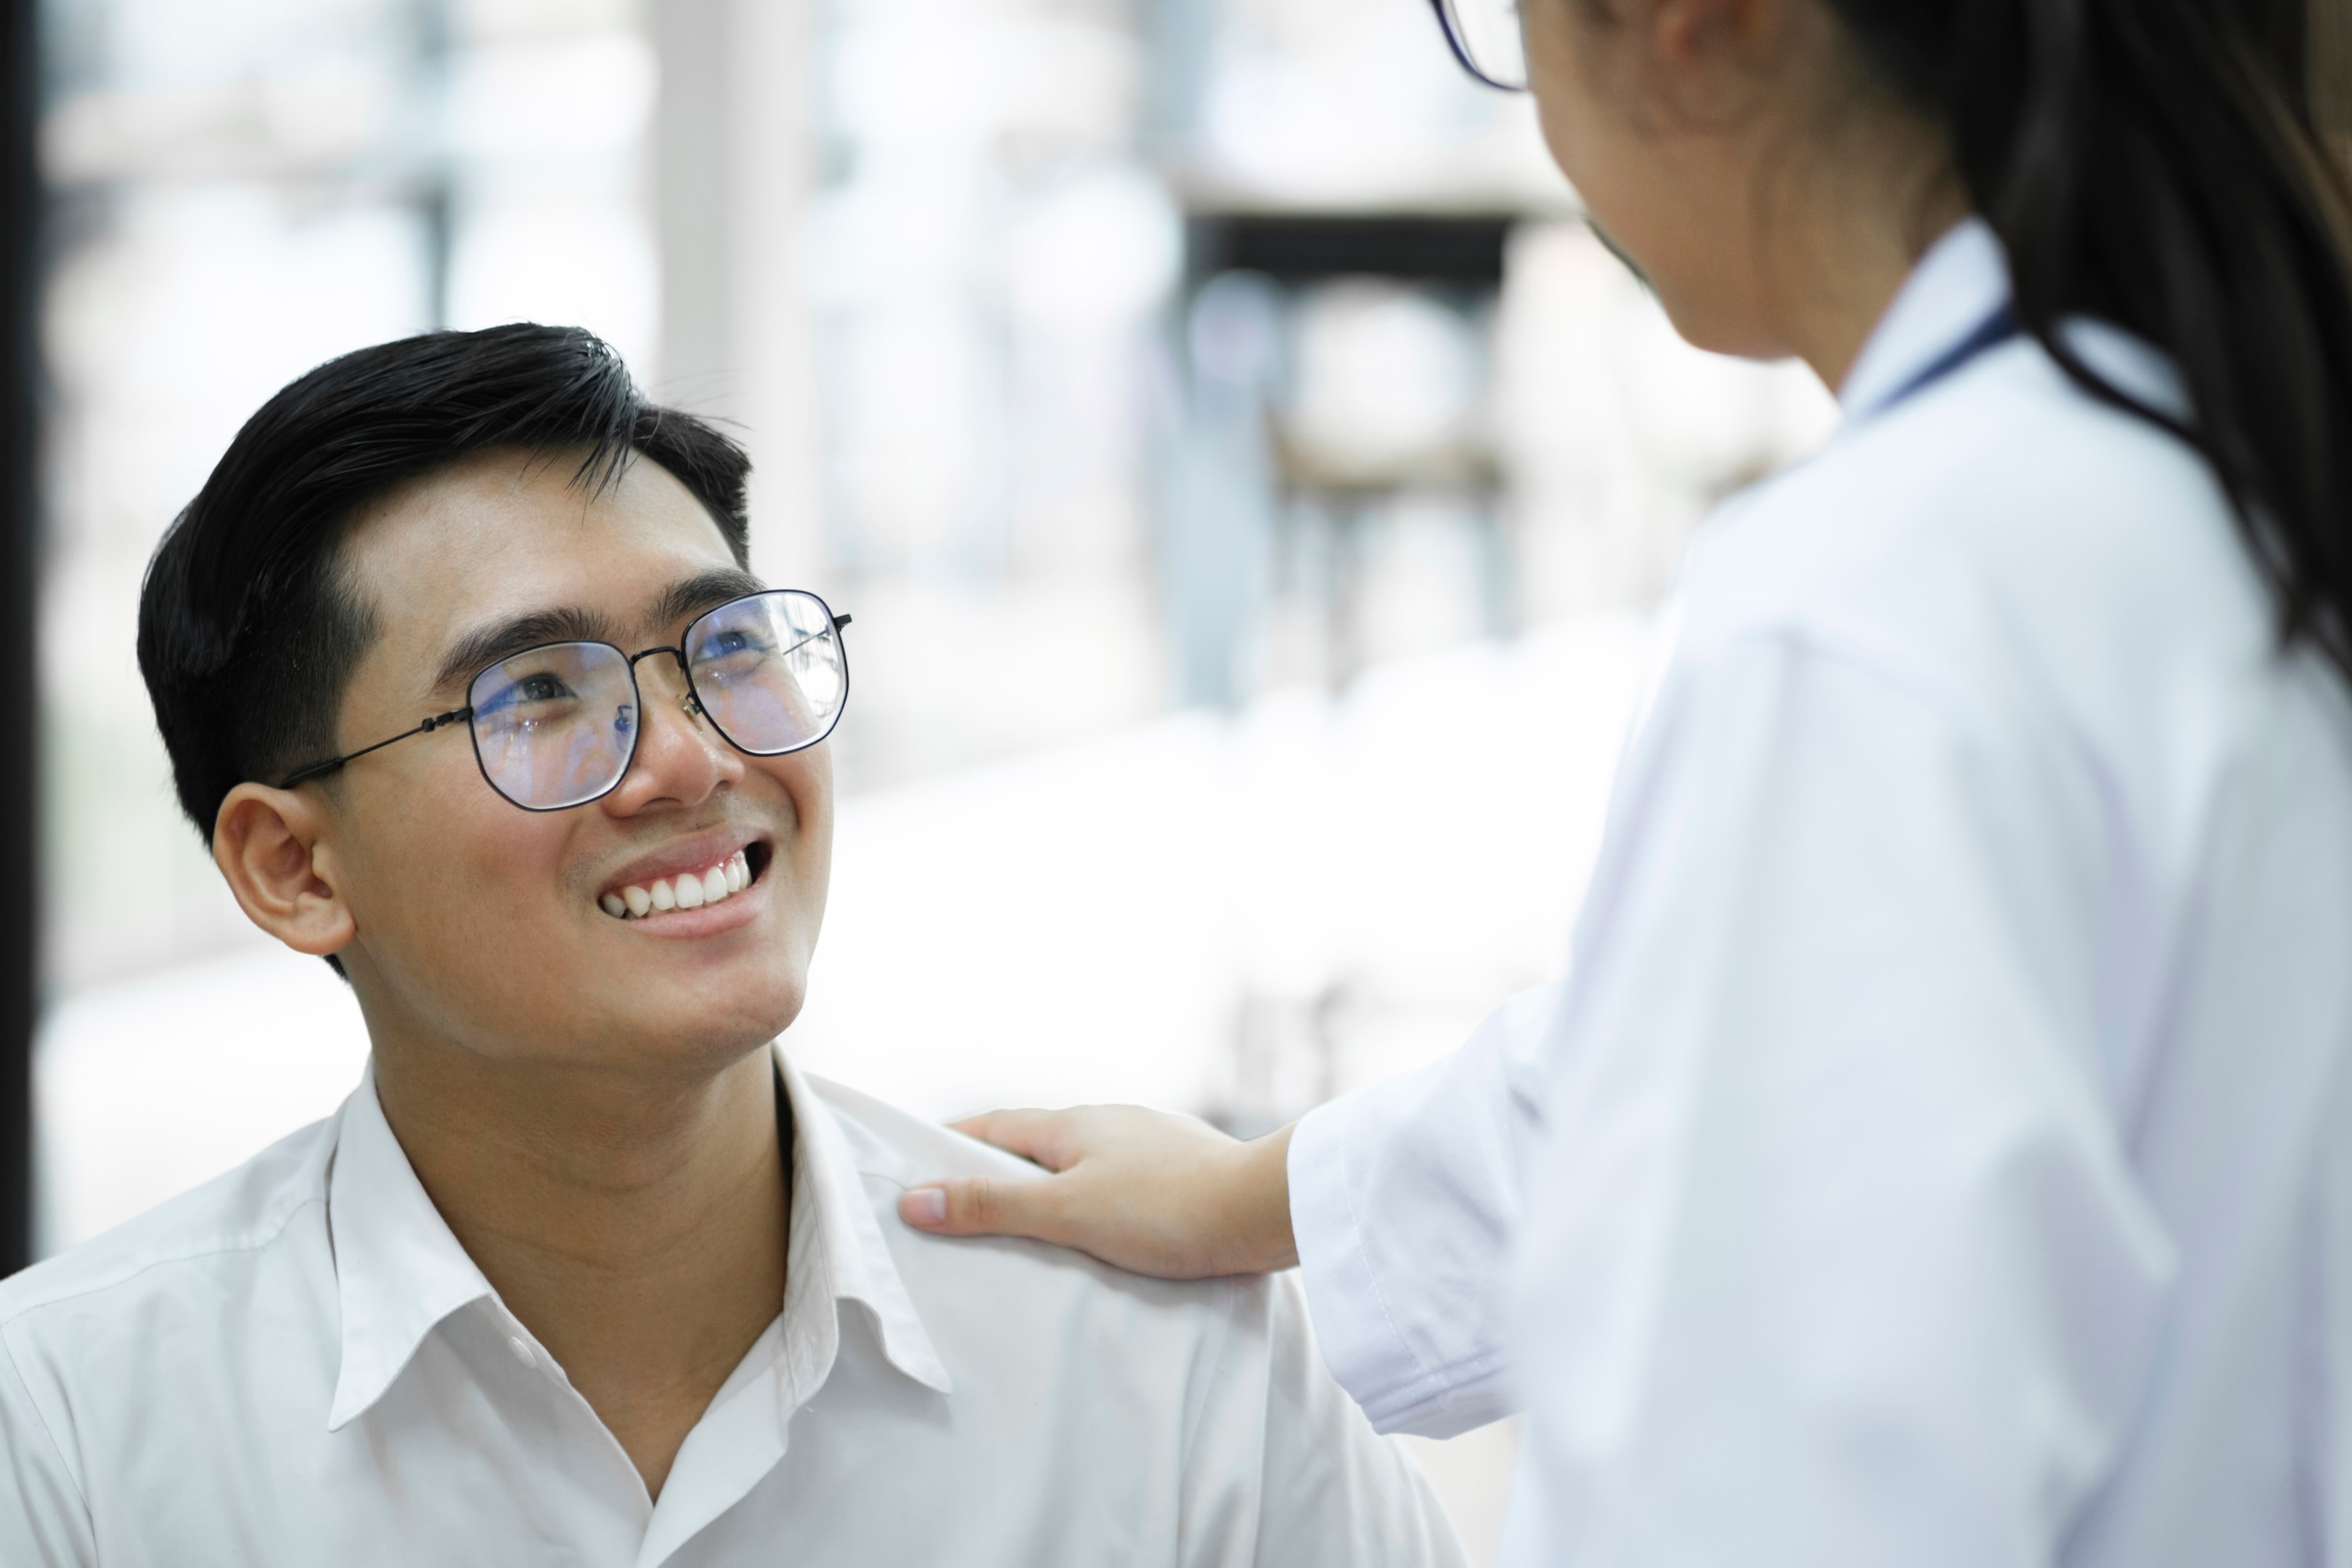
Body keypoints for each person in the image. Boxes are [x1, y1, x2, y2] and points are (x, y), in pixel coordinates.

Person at [896, 0, 2352, 1563]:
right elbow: (1762, 1066)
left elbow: (1779, 1472)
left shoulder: (1878, 615)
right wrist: (1262, 1194)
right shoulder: (2197, 479)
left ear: (1688, 26)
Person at [0, 325, 1463, 1567]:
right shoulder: (68, 1424)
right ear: (293, 866)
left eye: (728, 648)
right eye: (535, 696)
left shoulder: (1151, 1350)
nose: (691, 761)